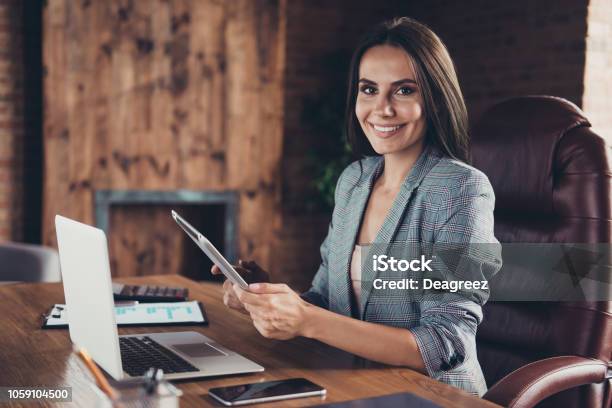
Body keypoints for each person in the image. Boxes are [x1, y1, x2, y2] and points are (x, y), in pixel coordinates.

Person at [212, 17, 501, 397]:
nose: (381, 109)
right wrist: (265, 297)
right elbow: (325, 303)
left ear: (434, 98)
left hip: (430, 397)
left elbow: (447, 343)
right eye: (369, 89)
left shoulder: (461, 189)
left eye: (404, 91)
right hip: (352, 386)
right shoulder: (354, 181)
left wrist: (307, 320)